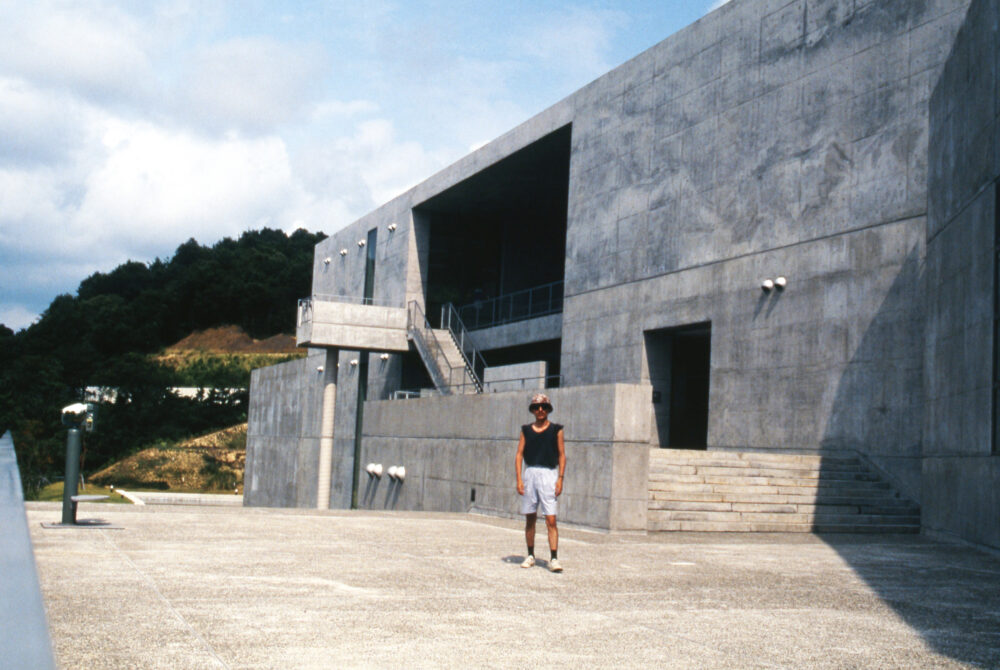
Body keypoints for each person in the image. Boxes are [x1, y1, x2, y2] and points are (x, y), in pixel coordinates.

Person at [515, 392, 566, 572]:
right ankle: (530, 555)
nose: (540, 410)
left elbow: (561, 454)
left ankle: (553, 558)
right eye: (536, 407)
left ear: (548, 409)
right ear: (532, 410)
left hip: (549, 474)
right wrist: (519, 479)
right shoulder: (526, 430)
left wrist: (560, 478)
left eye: (543, 407)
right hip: (531, 473)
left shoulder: (556, 430)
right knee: (530, 517)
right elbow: (519, 454)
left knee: (551, 519)